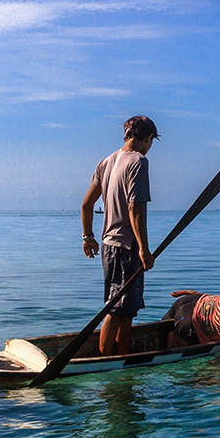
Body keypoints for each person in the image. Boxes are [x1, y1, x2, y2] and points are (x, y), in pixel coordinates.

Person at [81, 115, 159, 356]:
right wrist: (144, 249)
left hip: (107, 245)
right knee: (115, 309)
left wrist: (88, 237)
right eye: (151, 142)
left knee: (127, 309)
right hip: (126, 245)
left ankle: (122, 358)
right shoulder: (138, 161)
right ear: (146, 138)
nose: (150, 147)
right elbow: (135, 209)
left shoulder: (106, 162)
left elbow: (86, 205)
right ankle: (105, 361)